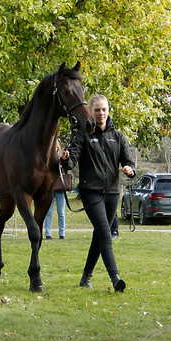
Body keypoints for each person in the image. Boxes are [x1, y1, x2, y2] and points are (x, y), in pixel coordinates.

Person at [60, 94, 135, 292]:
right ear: (90, 113)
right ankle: (115, 278)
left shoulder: (117, 136)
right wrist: (66, 158)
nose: (101, 113)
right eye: (97, 110)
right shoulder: (83, 135)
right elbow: (71, 161)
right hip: (90, 192)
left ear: (108, 111)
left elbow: (128, 162)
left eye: (104, 109)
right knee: (105, 233)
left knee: (99, 235)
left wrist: (129, 169)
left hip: (112, 193)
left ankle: (86, 278)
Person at [44, 141, 69, 240]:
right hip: (49, 187)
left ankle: (62, 233)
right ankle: (48, 233)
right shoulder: (47, 154)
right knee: (48, 212)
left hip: (60, 186)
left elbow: (67, 166)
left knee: (61, 212)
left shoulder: (62, 154)